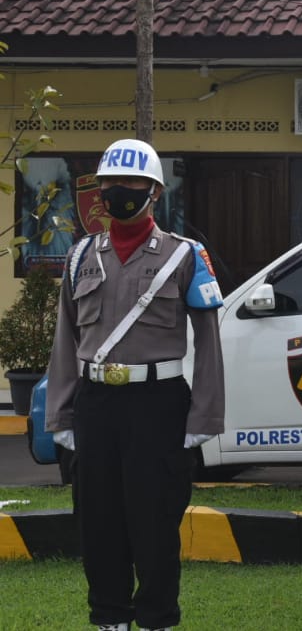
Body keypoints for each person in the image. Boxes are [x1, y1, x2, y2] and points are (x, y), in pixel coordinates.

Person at [44, 138, 225, 631]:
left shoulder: (186, 256)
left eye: (131, 184)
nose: (118, 193)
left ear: (154, 191)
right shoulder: (82, 255)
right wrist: (60, 415)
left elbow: (209, 343)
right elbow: (65, 338)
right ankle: (109, 619)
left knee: (155, 525)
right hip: (96, 403)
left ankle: (157, 620)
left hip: (158, 405)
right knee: (98, 524)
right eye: (109, 185)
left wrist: (203, 418)